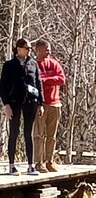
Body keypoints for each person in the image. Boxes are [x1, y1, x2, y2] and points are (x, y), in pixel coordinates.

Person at [0, 38, 42, 175]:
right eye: (26, 48)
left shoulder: (33, 64)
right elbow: (3, 86)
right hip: (14, 102)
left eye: (30, 48)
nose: (29, 50)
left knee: (28, 133)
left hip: (30, 102)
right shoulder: (9, 65)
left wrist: (40, 103)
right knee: (14, 133)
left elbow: (38, 83)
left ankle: (31, 165)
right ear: (18, 49)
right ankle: (11, 165)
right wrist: (6, 104)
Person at [32, 39, 65, 173]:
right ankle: (39, 163)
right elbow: (33, 82)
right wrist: (49, 80)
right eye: (46, 50)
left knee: (51, 135)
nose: (49, 52)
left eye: (49, 49)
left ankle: (49, 161)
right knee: (38, 135)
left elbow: (61, 79)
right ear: (38, 50)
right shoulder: (33, 64)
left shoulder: (54, 64)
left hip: (55, 103)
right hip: (40, 104)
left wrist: (45, 80)